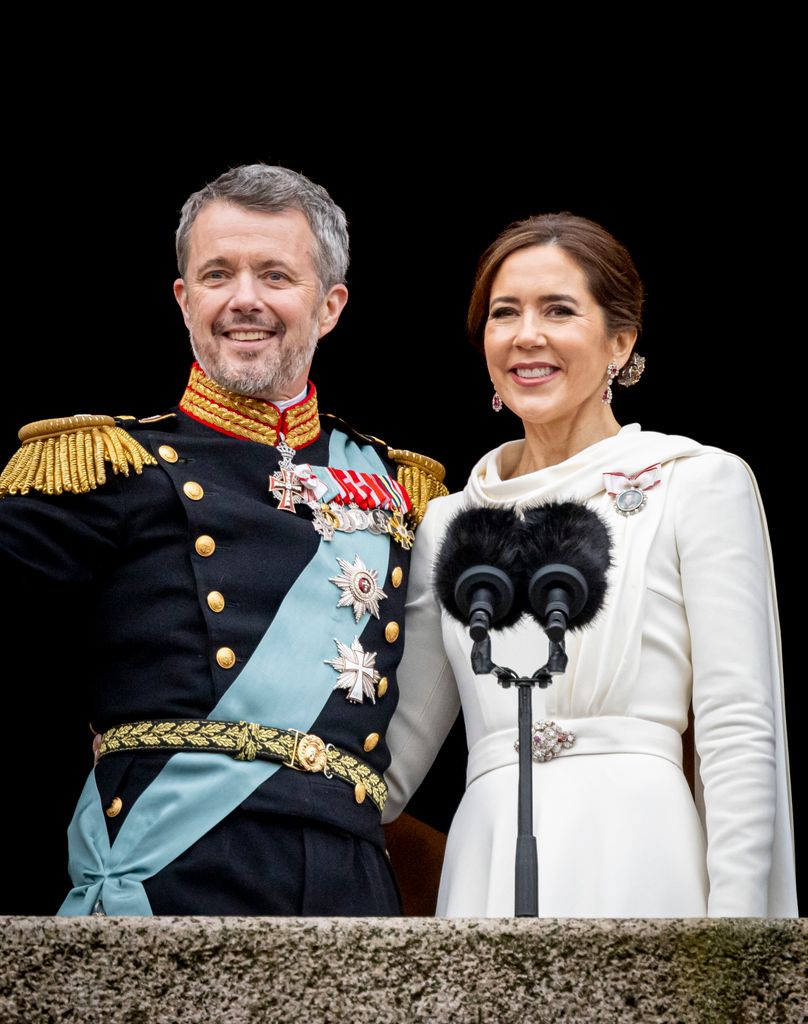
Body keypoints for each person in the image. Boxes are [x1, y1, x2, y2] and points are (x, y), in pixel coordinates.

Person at [0, 164, 447, 916]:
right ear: (184, 300)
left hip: (353, 882)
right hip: (171, 870)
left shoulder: (404, 489)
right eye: (218, 274)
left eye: (275, 274)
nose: (244, 299)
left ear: (329, 305)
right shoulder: (108, 467)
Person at [383, 213, 798, 917]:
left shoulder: (695, 482)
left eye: (559, 310)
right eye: (504, 313)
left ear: (620, 341)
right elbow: (387, 767)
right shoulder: (447, 522)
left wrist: (739, 939)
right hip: (487, 864)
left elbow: (737, 728)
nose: (526, 335)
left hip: (641, 847)